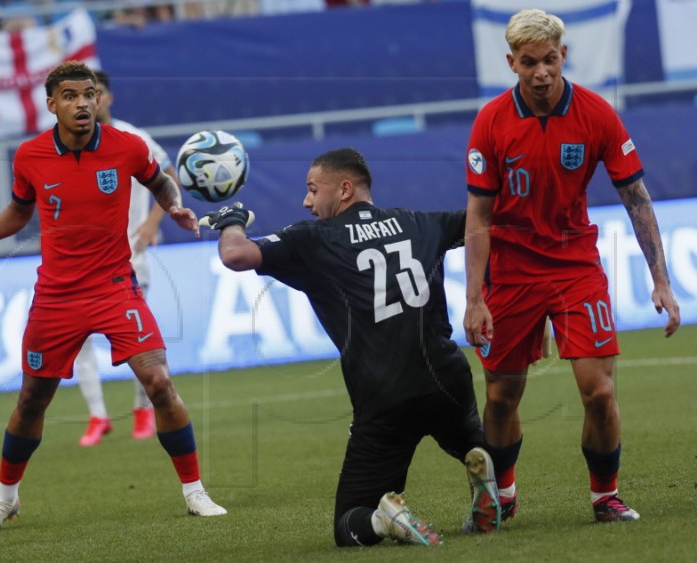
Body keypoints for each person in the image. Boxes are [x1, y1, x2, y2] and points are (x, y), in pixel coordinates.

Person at [0, 60, 227, 535]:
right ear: (52, 105)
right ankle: (5, 498)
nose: (82, 103)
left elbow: (160, 179)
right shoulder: (30, 155)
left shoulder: (127, 147)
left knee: (159, 381)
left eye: (88, 94)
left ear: (98, 99)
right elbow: (19, 209)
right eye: (70, 96)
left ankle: (195, 491)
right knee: (32, 400)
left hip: (115, 286)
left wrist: (172, 205)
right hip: (56, 296)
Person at [200, 147, 501, 547]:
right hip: (447, 377)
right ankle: (475, 452)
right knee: (459, 425)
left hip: (384, 397)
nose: (306, 201)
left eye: (312, 189)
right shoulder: (417, 222)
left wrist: (232, 222)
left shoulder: (314, 239)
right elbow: (483, 221)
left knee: (348, 523)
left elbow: (235, 255)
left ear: (344, 189)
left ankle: (383, 518)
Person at [463, 8, 681, 525]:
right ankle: (503, 495)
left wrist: (661, 281)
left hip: (574, 267)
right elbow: (479, 217)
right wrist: (474, 298)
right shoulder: (491, 121)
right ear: (512, 62)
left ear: (565, 55)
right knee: (499, 397)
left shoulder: (596, 113)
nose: (542, 72)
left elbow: (637, 198)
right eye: (531, 63)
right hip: (512, 272)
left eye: (552, 60)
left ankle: (605, 496)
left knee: (600, 392)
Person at [74, 69, 176, 447]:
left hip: (129, 259)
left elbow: (169, 177)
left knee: (137, 343)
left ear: (107, 98)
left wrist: (151, 222)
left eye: (94, 93)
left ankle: (142, 410)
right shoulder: (68, 145)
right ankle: (98, 416)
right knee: (81, 340)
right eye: (81, 95)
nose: (88, 102)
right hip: (80, 267)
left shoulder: (135, 138)